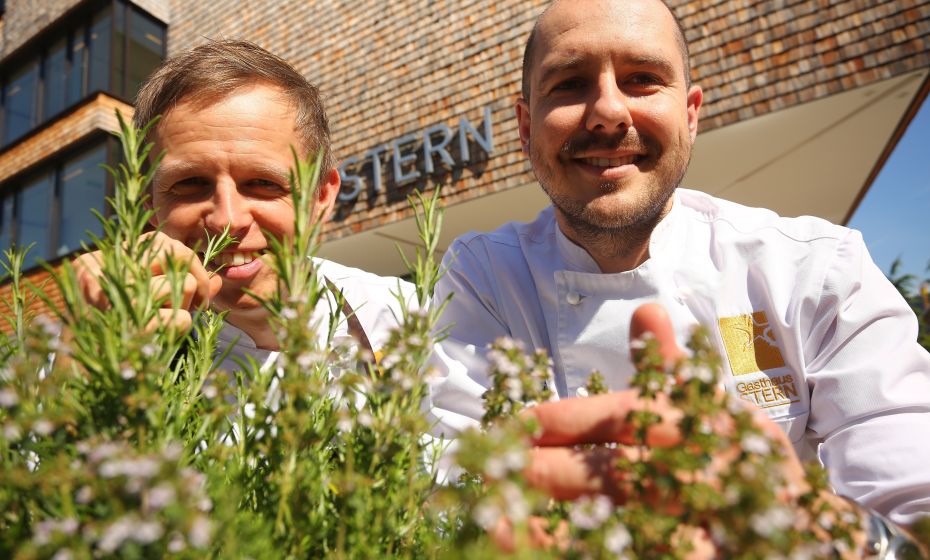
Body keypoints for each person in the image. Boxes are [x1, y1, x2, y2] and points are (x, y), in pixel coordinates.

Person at [430, 0, 930, 538]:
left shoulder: (817, 268)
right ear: (526, 127)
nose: (607, 112)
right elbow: (452, 493)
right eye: (570, 83)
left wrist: (802, 527)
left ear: (690, 115)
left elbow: (913, 513)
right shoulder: (484, 277)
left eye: (642, 79)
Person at [74, 40, 413, 371]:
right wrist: (89, 364)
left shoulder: (413, 324)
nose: (227, 220)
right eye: (190, 184)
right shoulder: (100, 339)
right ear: (149, 206)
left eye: (263, 183)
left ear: (321, 197)